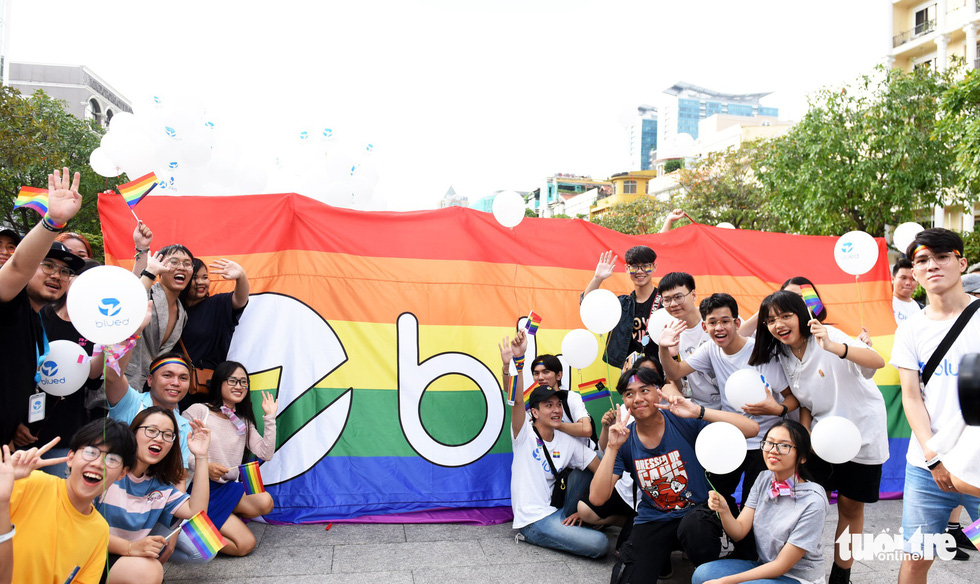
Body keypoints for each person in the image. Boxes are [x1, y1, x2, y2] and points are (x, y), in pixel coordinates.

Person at [749, 289, 888, 583]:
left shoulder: (830, 336)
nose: (778, 324)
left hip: (861, 433)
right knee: (809, 500)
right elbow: (808, 402)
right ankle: (796, 565)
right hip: (822, 439)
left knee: (850, 507)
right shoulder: (782, 354)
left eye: (785, 316)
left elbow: (877, 361)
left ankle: (841, 574)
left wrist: (835, 347)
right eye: (771, 320)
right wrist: (806, 439)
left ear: (801, 315)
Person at [589, 367, 761, 581]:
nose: (638, 398)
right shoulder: (625, 440)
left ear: (658, 392)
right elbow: (597, 498)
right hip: (654, 518)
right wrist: (612, 448)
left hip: (697, 514)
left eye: (644, 390)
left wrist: (698, 411)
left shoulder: (682, 420)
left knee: (695, 528)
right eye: (629, 393)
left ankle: (714, 572)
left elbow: (752, 428)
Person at [889, 228, 980, 584]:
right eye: (923, 260)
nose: (933, 266)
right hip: (927, 470)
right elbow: (911, 396)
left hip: (977, 467)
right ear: (915, 270)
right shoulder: (910, 330)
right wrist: (934, 457)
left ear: (961, 262)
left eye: (942, 257)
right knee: (917, 559)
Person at [658, 293, 795, 517]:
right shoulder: (711, 349)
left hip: (764, 441)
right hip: (731, 437)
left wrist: (777, 409)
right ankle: (728, 535)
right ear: (705, 326)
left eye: (725, 321)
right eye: (712, 322)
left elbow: (792, 399)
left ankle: (748, 549)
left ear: (737, 323)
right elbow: (675, 372)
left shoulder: (761, 352)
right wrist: (664, 348)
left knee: (755, 504)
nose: (719, 328)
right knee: (714, 495)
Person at [499, 331, 608, 558]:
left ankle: (579, 520)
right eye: (548, 406)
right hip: (533, 520)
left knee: (585, 470)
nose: (556, 410)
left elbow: (601, 469)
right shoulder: (524, 434)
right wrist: (515, 363)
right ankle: (532, 535)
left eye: (557, 404)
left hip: (558, 509)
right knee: (599, 544)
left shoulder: (567, 440)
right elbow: (516, 400)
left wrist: (586, 509)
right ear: (535, 412)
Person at [0, 168, 84, 446]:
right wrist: (53, 221)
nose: (56, 276)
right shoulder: (10, 301)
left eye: (64, 272)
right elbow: (18, 265)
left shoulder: (36, 321)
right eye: (48, 265)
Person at [692, 420, 828, 584]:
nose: (773, 451)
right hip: (766, 566)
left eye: (784, 446)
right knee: (702, 574)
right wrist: (724, 510)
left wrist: (725, 581)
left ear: (803, 457)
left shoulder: (813, 501)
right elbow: (739, 531)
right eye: (769, 443)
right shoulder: (764, 479)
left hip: (798, 577)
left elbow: (781, 566)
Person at [8, 419, 136, 584]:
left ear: (122, 473)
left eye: (112, 459)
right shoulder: (30, 483)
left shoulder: (99, 530)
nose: (98, 464)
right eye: (90, 452)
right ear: (70, 457)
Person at [98, 407, 213, 583]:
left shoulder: (161, 487)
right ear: (133, 433)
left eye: (168, 435)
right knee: (150, 571)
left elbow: (197, 512)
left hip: (125, 559)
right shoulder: (106, 468)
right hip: (89, 553)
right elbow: (79, 529)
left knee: (207, 545)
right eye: (151, 430)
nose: (159, 438)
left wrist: (201, 456)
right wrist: (132, 547)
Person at [16, 259, 106, 478]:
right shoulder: (39, 314)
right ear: (70, 280)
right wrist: (14, 423)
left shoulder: (95, 328)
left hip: (63, 434)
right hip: (19, 431)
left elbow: (93, 378)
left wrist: (108, 343)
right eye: (83, 280)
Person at [182, 361, 277, 556]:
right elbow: (177, 451)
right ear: (219, 383)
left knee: (265, 501)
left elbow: (265, 453)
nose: (239, 386)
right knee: (244, 545)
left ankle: (203, 525)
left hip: (224, 488)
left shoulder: (243, 420)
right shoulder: (200, 411)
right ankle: (185, 535)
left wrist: (269, 417)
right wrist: (204, 466)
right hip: (196, 488)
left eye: (243, 382)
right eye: (233, 380)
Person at [129, 220, 194, 392]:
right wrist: (142, 249)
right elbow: (130, 298)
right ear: (159, 264)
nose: (181, 267)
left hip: (150, 392)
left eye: (187, 264)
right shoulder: (147, 292)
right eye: (174, 262)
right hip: (122, 383)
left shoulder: (182, 313)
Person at [177, 258, 250, 408]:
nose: (201, 282)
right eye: (194, 278)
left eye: (205, 277)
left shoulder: (217, 304)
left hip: (205, 390)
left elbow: (240, 300)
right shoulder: (173, 307)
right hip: (173, 385)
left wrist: (241, 276)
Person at [582, 246, 663, 369]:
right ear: (627, 269)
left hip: (662, 370)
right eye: (634, 266)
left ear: (654, 267)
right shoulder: (622, 304)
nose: (640, 271)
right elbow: (587, 305)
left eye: (646, 266)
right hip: (631, 374)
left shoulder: (666, 301)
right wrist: (597, 278)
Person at [655, 272, 720, 410]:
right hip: (700, 409)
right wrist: (671, 355)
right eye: (667, 300)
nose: (673, 304)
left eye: (678, 297)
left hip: (734, 406)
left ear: (694, 295)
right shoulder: (669, 333)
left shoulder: (719, 318)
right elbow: (675, 384)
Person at [526, 354, 595, 447]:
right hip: (555, 458)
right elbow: (514, 397)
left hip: (584, 458)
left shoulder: (571, 397)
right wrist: (506, 368)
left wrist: (553, 423)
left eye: (545, 372)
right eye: (536, 373)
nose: (540, 377)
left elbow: (586, 429)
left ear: (559, 375)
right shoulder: (534, 401)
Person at [893, 258, 922, 324]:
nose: (908, 283)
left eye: (913, 279)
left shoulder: (920, 309)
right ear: (893, 279)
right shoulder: (884, 304)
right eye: (903, 278)